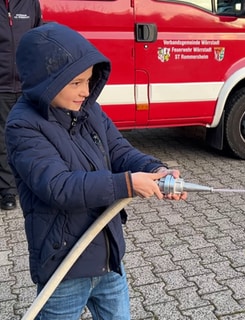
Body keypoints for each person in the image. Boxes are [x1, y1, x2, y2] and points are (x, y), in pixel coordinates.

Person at [5, 22, 187, 319]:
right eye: (75, 82)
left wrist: (156, 169)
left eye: (88, 81)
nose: (85, 91)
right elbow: (58, 187)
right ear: (46, 80)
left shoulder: (88, 110)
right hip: (64, 266)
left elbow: (119, 151)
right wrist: (127, 185)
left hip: (108, 258)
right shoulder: (23, 126)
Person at [0, 0, 42, 210]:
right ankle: (7, 191)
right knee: (3, 139)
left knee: (32, 136)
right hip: (2, 87)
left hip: (27, 84)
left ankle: (33, 183)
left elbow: (38, 38)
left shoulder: (30, 3)